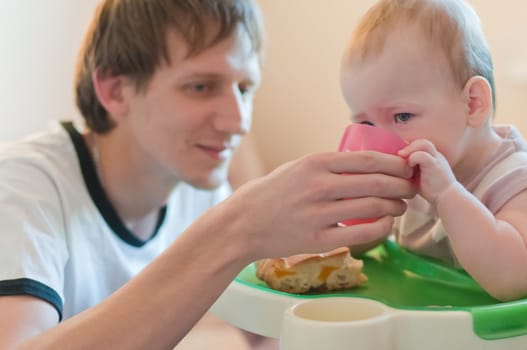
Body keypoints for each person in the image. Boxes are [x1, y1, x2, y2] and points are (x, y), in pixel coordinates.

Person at [0, 0, 417, 349]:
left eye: (245, 88)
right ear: (114, 90)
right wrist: (234, 230)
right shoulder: (24, 187)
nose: (237, 122)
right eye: (201, 86)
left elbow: (263, 338)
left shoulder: (196, 185)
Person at [340, 0, 527, 302]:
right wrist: (358, 218)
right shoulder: (412, 172)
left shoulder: (513, 179)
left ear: (473, 104)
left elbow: (514, 278)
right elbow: (363, 250)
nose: (383, 139)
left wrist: (449, 195)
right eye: (366, 123)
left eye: (402, 117)